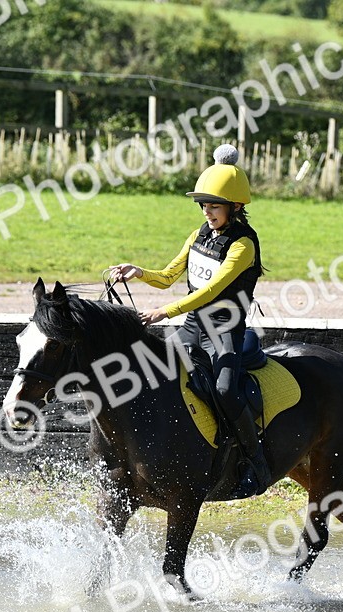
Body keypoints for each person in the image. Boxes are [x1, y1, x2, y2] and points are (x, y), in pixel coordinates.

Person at [109, 144, 270, 497]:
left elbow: (210, 291)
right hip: (194, 327)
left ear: (236, 207)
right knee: (156, 375)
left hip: (224, 333)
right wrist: (139, 272)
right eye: (204, 205)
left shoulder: (243, 246)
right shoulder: (199, 235)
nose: (207, 211)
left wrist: (164, 312)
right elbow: (168, 276)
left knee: (226, 390)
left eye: (214, 205)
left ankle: (255, 461)